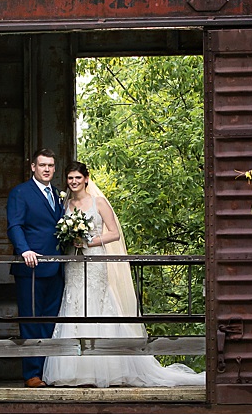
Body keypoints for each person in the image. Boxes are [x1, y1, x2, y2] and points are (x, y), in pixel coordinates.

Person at [43, 161, 205, 388]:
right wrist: (71, 238)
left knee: (98, 304)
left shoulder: (98, 202)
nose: (74, 182)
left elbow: (114, 233)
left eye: (77, 178)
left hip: (95, 259)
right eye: (70, 178)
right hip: (74, 263)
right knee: (74, 301)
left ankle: (107, 367)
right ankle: (74, 369)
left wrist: (90, 241)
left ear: (86, 179)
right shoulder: (66, 204)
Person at [6, 148, 66, 387]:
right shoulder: (20, 193)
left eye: (51, 165)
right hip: (31, 267)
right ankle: (32, 374)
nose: (47, 170)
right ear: (33, 167)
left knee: (51, 321)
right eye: (42, 165)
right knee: (31, 320)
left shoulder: (60, 195)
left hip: (58, 267)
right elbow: (14, 226)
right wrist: (24, 250)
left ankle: (49, 372)